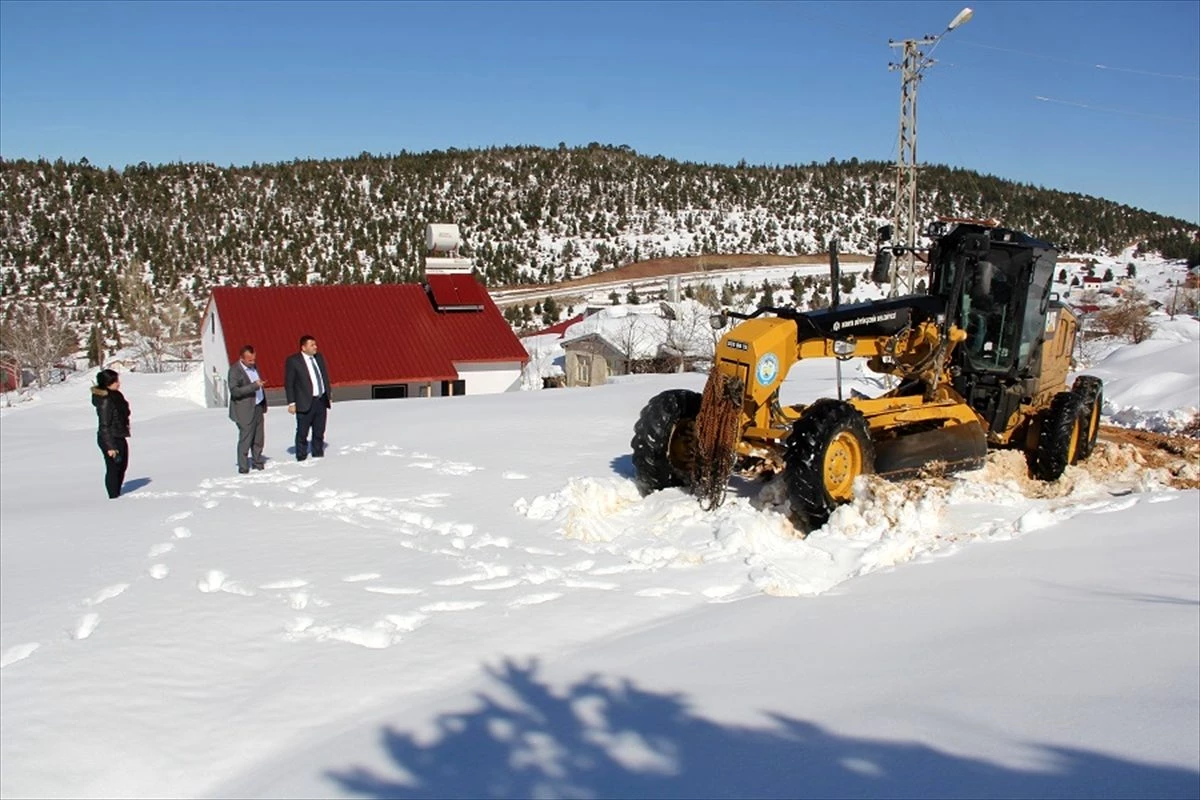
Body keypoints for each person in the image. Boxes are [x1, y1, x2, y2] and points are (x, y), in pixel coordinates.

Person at [284, 334, 332, 461]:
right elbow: (289, 383)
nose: (315, 347)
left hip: (320, 400)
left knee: (319, 431)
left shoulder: (319, 358)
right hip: (304, 402)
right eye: (312, 345)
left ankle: (318, 454)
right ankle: (301, 456)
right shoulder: (294, 361)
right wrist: (291, 403)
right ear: (303, 347)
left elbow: (324, 377)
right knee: (302, 432)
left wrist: (328, 393)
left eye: (315, 344)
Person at [228, 344, 268, 474]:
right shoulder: (234, 371)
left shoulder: (254, 367)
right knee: (246, 439)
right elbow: (235, 391)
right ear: (242, 358)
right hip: (244, 411)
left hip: (257, 406)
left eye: (254, 359)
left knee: (258, 438)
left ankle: (257, 462)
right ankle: (243, 466)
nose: (252, 362)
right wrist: (254, 386)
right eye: (249, 360)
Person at [91, 369, 130, 499]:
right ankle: (113, 498)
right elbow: (104, 425)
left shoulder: (116, 395)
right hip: (109, 437)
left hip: (119, 434)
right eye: (116, 381)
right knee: (113, 468)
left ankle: (117, 493)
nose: (119, 383)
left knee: (122, 466)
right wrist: (110, 447)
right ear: (108, 383)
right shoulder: (105, 400)